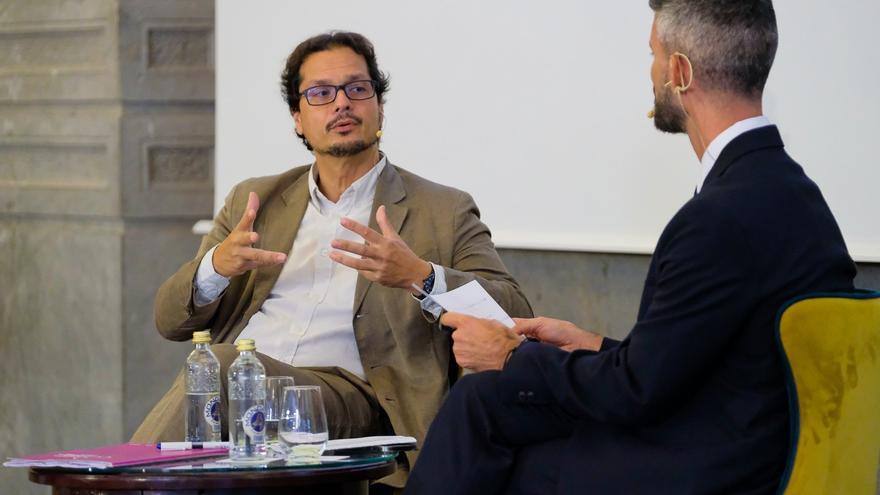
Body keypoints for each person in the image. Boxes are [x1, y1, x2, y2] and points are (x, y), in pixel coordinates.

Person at [406, 1, 857, 493]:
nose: (651, 73)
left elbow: (635, 393)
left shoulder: (716, 219)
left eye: (653, 56)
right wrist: (589, 344)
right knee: (484, 404)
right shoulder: (794, 193)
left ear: (680, 72)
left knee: (494, 433)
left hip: (711, 466)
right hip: (750, 436)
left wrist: (511, 355)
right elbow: (697, 360)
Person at [131, 31, 532, 490]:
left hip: (348, 401)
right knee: (223, 377)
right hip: (243, 400)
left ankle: (111, 481)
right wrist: (216, 268)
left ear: (380, 107)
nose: (342, 103)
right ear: (298, 119)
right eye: (321, 94)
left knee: (222, 368)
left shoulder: (442, 209)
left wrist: (422, 276)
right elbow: (169, 321)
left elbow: (514, 312)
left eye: (358, 89)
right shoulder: (255, 199)